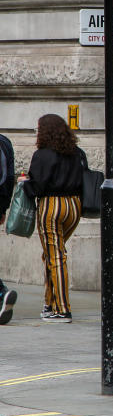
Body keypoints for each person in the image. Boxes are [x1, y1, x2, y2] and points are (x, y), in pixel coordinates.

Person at [19, 114, 85, 323]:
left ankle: (62, 309)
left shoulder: (43, 155)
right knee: (52, 253)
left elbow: (37, 186)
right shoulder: (78, 153)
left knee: (55, 256)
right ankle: (50, 303)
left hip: (52, 206)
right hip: (74, 206)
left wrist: (24, 182)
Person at [0, 133, 19, 324]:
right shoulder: (5, 142)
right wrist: (3, 208)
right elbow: (9, 178)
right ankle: (1, 295)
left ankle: (1, 293)